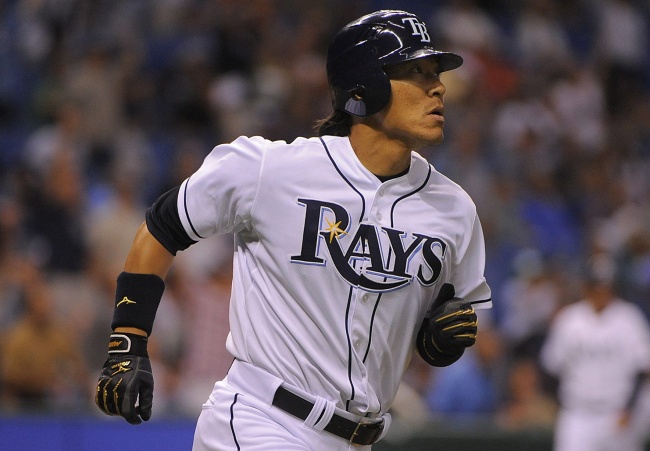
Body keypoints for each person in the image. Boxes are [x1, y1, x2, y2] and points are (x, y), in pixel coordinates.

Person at [94, 10, 492, 450]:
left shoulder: (453, 209)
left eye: (436, 72)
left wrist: (437, 342)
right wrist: (128, 341)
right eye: (417, 72)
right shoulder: (272, 170)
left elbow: (438, 326)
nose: (438, 87)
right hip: (263, 420)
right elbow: (162, 226)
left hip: (359, 438)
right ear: (363, 86)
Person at [540, 254, 650, 451]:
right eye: (595, 285)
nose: (600, 291)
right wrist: (559, 404)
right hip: (577, 413)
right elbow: (551, 367)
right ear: (585, 286)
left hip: (618, 414)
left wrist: (630, 409)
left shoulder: (629, 318)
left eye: (605, 286)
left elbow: (642, 369)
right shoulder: (569, 320)